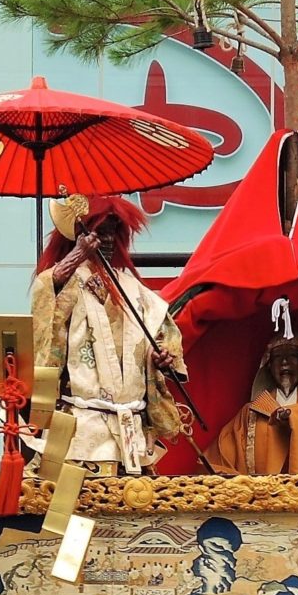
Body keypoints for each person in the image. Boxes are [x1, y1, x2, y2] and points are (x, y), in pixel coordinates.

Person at [31, 193, 187, 473]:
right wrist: (77, 255)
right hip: (82, 424)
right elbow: (47, 304)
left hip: (131, 428)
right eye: (99, 232)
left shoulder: (134, 289)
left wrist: (162, 356)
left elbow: (164, 332)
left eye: (112, 233)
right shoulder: (67, 282)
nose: (106, 240)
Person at [205, 329, 298, 475]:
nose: (285, 362)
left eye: (292, 355)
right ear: (269, 366)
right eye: (278, 356)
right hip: (262, 498)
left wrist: (297, 416)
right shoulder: (251, 413)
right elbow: (214, 464)